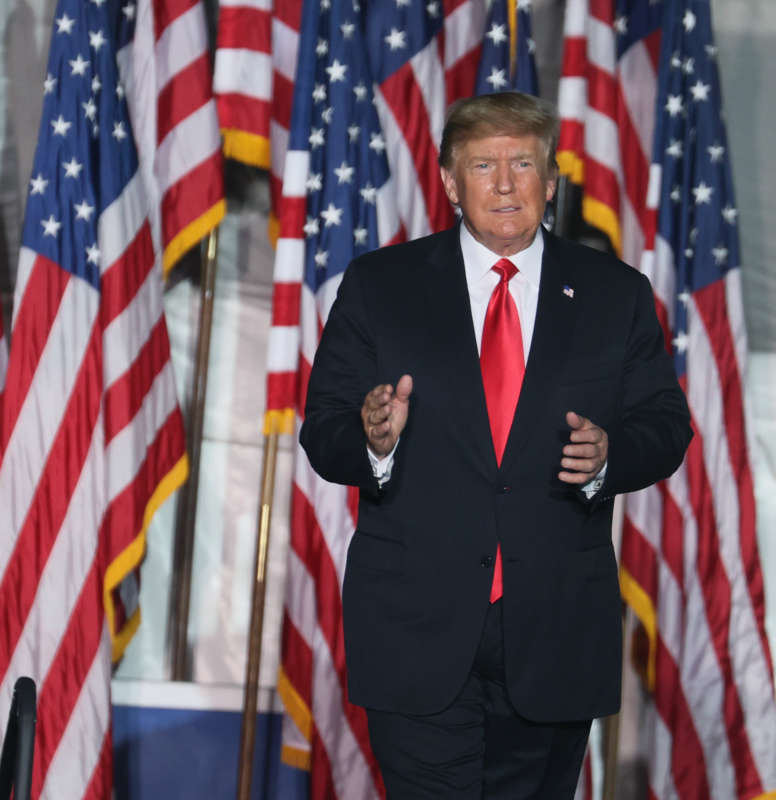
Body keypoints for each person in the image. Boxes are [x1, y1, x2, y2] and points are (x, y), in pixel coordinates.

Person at [299, 91, 691, 798]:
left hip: (556, 634)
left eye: (522, 163)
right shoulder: (380, 287)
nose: (505, 184)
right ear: (450, 182)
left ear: (552, 180)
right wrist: (372, 439)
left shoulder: (615, 295)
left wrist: (609, 458)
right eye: (483, 165)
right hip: (416, 633)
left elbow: (667, 425)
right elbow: (322, 429)